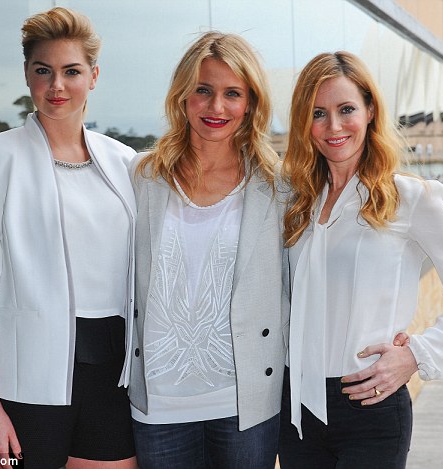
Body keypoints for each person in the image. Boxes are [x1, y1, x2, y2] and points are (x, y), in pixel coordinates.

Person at [278, 51, 443, 468]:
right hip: (295, 411)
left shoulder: (412, 199)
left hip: (371, 406)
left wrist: (416, 355)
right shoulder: (293, 200)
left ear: (371, 111)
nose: (333, 126)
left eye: (346, 110)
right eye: (318, 113)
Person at [0, 7, 137, 469]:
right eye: (43, 71)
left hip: (115, 372)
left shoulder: (127, 162)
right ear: (27, 75)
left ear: (93, 76)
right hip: (27, 383)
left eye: (71, 71)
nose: (57, 86)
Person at [129, 32, 289, 469]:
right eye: (203, 90)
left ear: (251, 104)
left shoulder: (278, 186)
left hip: (246, 403)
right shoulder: (143, 178)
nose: (217, 107)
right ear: (182, 97)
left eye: (232, 94)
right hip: (158, 405)